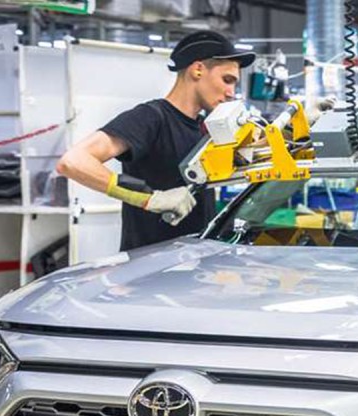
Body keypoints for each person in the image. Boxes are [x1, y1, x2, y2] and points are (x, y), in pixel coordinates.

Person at [56, 30, 255, 251]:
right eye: (227, 80)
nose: (231, 92)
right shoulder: (151, 118)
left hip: (197, 260)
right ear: (198, 69)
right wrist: (150, 199)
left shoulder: (204, 127)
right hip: (151, 266)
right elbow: (73, 161)